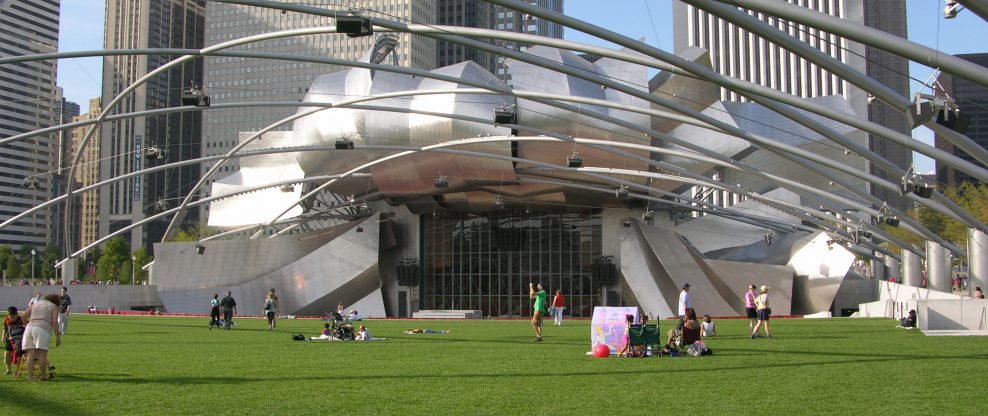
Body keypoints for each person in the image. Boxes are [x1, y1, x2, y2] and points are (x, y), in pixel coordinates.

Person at [21, 294, 61, 381]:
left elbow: (23, 316)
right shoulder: (54, 307)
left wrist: (27, 325)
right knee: (42, 354)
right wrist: (58, 336)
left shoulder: (35, 304)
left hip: (29, 327)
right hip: (42, 328)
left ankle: (30, 377)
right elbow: (54, 323)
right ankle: (43, 376)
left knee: (30, 354)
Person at [3, 306, 26, 376]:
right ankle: (8, 370)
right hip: (9, 339)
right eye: (10, 317)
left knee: (19, 355)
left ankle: (18, 371)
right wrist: (3, 336)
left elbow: (27, 328)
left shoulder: (21, 319)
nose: (12, 319)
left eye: (14, 317)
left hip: (19, 340)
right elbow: (5, 329)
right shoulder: (6, 320)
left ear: (17, 315)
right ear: (8, 315)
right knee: (7, 354)